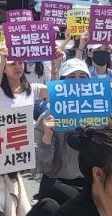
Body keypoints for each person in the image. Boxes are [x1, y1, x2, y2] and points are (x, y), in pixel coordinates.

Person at [36, 59, 94, 204]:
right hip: (58, 183)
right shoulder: (47, 117)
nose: (77, 82)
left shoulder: (100, 114)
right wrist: (47, 138)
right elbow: (43, 166)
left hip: (91, 181)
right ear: (61, 83)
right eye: (71, 77)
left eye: (82, 77)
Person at [0, 46, 48, 113]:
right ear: (4, 69)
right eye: (12, 64)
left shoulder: (32, 88)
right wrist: (2, 64)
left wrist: (55, 70)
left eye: (20, 63)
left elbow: (55, 91)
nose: (18, 67)